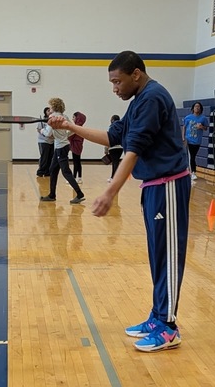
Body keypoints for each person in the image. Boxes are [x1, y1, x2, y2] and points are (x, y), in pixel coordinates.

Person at [49, 51, 190, 351]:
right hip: (153, 186)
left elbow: (134, 149)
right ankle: (158, 315)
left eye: (117, 81)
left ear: (135, 74)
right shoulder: (140, 100)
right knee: (158, 256)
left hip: (168, 185)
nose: (114, 88)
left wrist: (110, 191)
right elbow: (114, 136)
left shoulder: (152, 98)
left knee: (169, 258)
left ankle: (168, 328)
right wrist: (70, 127)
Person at [40, 97, 85, 205]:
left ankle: (79, 194)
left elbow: (48, 134)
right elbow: (73, 129)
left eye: (50, 106)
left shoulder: (53, 118)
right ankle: (52, 195)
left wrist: (41, 130)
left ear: (54, 107)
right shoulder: (64, 117)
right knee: (52, 169)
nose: (49, 108)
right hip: (62, 146)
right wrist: (65, 135)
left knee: (66, 172)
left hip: (61, 148)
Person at [181, 101, 209, 180]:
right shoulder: (188, 117)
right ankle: (193, 172)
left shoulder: (203, 118)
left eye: (198, 106)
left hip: (197, 141)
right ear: (193, 108)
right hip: (188, 140)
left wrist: (202, 127)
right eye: (196, 106)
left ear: (200, 109)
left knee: (193, 156)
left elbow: (206, 128)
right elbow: (184, 127)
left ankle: (188, 171)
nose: (197, 108)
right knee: (191, 157)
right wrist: (183, 137)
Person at [36, 107, 53, 177]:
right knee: (44, 157)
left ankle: (47, 172)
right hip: (43, 141)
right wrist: (44, 133)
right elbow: (38, 129)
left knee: (50, 157)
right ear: (45, 112)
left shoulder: (53, 120)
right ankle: (41, 171)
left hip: (52, 141)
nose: (50, 112)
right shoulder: (42, 121)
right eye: (48, 111)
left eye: (50, 110)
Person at [69, 111, 86, 181]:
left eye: (73, 117)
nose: (72, 119)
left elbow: (70, 136)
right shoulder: (81, 127)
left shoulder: (76, 127)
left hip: (76, 145)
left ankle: (74, 177)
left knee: (76, 161)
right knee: (78, 161)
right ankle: (79, 177)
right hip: (79, 145)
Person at [105, 114, 123, 181]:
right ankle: (115, 177)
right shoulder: (122, 127)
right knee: (116, 162)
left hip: (113, 148)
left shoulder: (112, 127)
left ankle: (113, 178)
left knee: (114, 163)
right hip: (120, 148)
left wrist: (106, 149)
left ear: (112, 120)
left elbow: (108, 138)